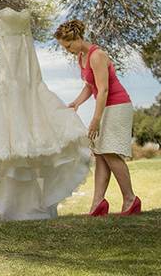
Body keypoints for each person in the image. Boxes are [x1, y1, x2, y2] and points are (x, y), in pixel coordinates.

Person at [0, 7, 92, 221]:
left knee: (36, 111)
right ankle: (14, 204)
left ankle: (39, 203)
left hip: (29, 63)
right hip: (9, 61)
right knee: (14, 114)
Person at [54, 19, 142, 216]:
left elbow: (103, 91)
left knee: (110, 152)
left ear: (77, 38)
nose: (67, 50)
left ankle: (130, 199)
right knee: (100, 154)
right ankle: (98, 203)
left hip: (117, 106)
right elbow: (89, 86)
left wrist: (95, 120)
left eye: (68, 45)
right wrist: (76, 103)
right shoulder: (81, 57)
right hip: (106, 106)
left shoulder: (97, 55)